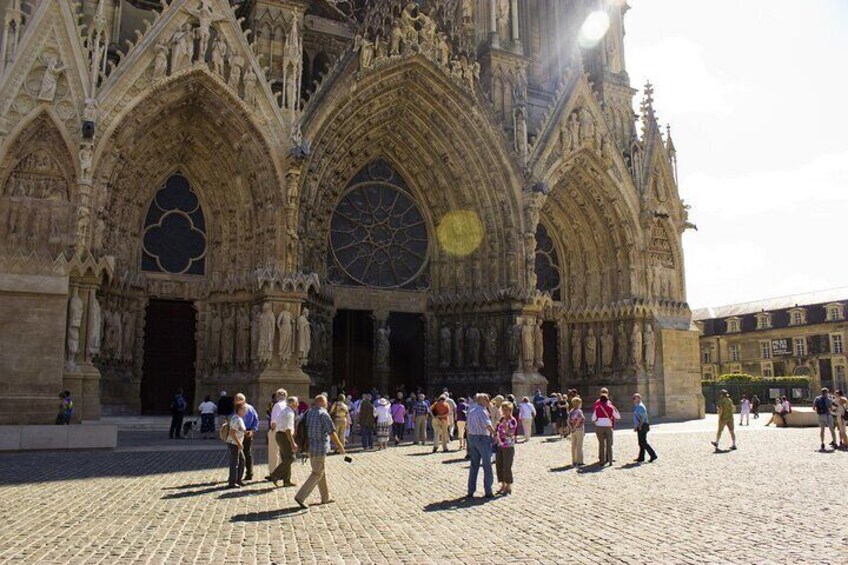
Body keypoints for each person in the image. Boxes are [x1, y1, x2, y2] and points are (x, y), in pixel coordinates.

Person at [294, 394, 346, 509]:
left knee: (320, 471)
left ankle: (325, 497)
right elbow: (332, 432)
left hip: (309, 447)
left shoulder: (308, 413)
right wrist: (340, 446)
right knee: (317, 473)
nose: (327, 405)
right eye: (326, 403)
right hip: (319, 448)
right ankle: (301, 496)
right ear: (322, 403)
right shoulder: (323, 414)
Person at [466, 393, 495, 498]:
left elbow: (467, 426)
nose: (489, 401)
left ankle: (470, 490)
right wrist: (495, 434)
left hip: (472, 438)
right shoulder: (482, 412)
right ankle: (488, 490)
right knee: (487, 465)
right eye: (487, 399)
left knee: (474, 465)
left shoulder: (472, 411)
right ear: (482, 401)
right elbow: (488, 426)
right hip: (482, 439)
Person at [267, 396, 298, 487]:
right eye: (297, 403)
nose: (298, 404)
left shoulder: (284, 411)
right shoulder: (289, 413)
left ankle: (287, 480)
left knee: (285, 458)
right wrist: (293, 443)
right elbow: (288, 429)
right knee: (291, 458)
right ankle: (275, 475)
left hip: (279, 435)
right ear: (293, 404)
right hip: (284, 436)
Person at [234, 393, 259, 480]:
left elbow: (256, 420)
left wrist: (252, 431)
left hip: (244, 432)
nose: (235, 402)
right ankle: (247, 473)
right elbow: (256, 419)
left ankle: (247, 473)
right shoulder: (250, 408)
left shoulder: (246, 408)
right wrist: (253, 430)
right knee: (246, 453)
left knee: (243, 454)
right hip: (245, 432)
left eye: (236, 400)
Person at [495, 401, 517, 495]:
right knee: (499, 465)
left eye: (506, 410)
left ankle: (509, 485)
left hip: (508, 445)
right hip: (500, 445)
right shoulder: (501, 419)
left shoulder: (512, 420)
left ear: (510, 410)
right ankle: (503, 485)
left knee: (507, 466)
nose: (504, 412)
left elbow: (511, 433)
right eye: (503, 410)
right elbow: (497, 430)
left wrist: (506, 428)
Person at [592, 393, 620, 466]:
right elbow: (618, 416)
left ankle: (602, 461)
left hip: (599, 427)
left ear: (600, 401)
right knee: (609, 445)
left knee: (601, 444)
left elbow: (593, 418)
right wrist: (615, 408)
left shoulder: (597, 408)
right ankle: (610, 461)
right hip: (608, 427)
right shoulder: (611, 408)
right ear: (607, 400)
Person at [226, 403, 247, 488]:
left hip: (237, 443)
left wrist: (246, 432)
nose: (246, 411)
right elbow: (232, 433)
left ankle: (238, 479)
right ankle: (232, 482)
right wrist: (239, 444)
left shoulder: (239, 418)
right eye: (244, 409)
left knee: (242, 460)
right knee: (234, 463)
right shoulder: (236, 419)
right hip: (234, 443)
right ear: (239, 410)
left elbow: (239, 430)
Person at [632, 393, 657, 463]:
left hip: (643, 425)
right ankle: (641, 457)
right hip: (641, 425)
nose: (633, 400)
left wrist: (639, 425)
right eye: (633, 398)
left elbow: (642, 417)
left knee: (643, 442)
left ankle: (653, 455)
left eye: (635, 398)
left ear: (639, 398)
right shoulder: (637, 406)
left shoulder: (640, 406)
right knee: (641, 442)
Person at [267, 389, 287, 473]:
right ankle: (281, 471)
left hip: (276, 429)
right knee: (282, 452)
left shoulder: (277, 405)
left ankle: (273, 472)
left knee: (273, 452)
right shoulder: (287, 405)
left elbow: (274, 420)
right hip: (285, 431)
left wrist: (271, 429)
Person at [568, 397, 585, 466]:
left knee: (573, 446)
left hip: (573, 430)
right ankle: (579, 461)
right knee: (579, 446)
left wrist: (571, 428)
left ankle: (574, 460)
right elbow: (579, 419)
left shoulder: (571, 411)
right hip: (579, 429)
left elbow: (568, 421)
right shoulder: (579, 411)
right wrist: (575, 427)